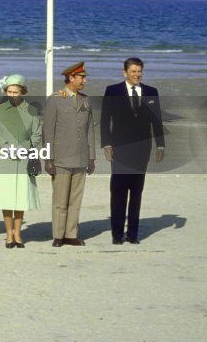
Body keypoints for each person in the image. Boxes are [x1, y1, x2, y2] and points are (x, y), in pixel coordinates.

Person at [100, 57, 165, 244]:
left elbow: (157, 121)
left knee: (136, 191)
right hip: (119, 149)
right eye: (133, 71)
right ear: (125, 72)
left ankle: (133, 235)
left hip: (142, 149)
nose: (137, 74)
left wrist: (160, 144)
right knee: (119, 191)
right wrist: (107, 145)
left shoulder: (151, 92)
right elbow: (105, 121)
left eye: (139, 71)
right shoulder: (112, 91)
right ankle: (117, 235)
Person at [43, 62, 95, 247]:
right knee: (60, 200)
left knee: (75, 199)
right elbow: (48, 131)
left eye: (84, 77)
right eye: (81, 77)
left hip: (80, 157)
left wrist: (92, 157)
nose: (85, 80)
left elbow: (90, 131)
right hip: (61, 158)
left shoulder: (85, 100)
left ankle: (71, 234)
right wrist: (48, 158)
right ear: (71, 78)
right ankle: (58, 235)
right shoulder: (55, 99)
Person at [0, 74, 42, 248]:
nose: (12, 95)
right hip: (5, 159)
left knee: (21, 198)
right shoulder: (0, 110)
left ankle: (18, 234)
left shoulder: (32, 111)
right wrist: (6, 147)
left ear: (23, 92)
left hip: (24, 160)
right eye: (9, 91)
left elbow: (37, 133)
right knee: (6, 198)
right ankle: (9, 234)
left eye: (15, 92)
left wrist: (27, 147)